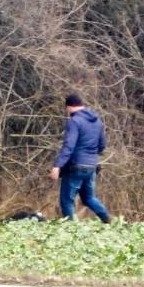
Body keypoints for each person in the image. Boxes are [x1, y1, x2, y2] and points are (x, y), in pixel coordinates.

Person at [49, 94, 111, 223]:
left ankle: (71, 228)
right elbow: (102, 145)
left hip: (76, 165)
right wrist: (91, 156)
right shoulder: (97, 121)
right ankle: (107, 219)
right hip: (91, 165)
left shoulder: (74, 121)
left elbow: (68, 146)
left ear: (69, 107)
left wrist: (57, 166)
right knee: (89, 198)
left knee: (66, 200)